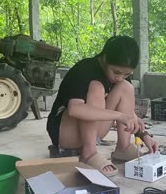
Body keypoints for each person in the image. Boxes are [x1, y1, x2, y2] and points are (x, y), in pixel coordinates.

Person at [47, 36, 159, 177]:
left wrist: (144, 135)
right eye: (116, 72)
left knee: (126, 87)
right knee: (96, 87)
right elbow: (75, 109)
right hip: (63, 132)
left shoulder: (121, 76)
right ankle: (89, 153)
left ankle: (123, 148)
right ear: (105, 58)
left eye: (126, 74)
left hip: (93, 132)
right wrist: (120, 116)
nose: (119, 77)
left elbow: (128, 114)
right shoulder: (84, 70)